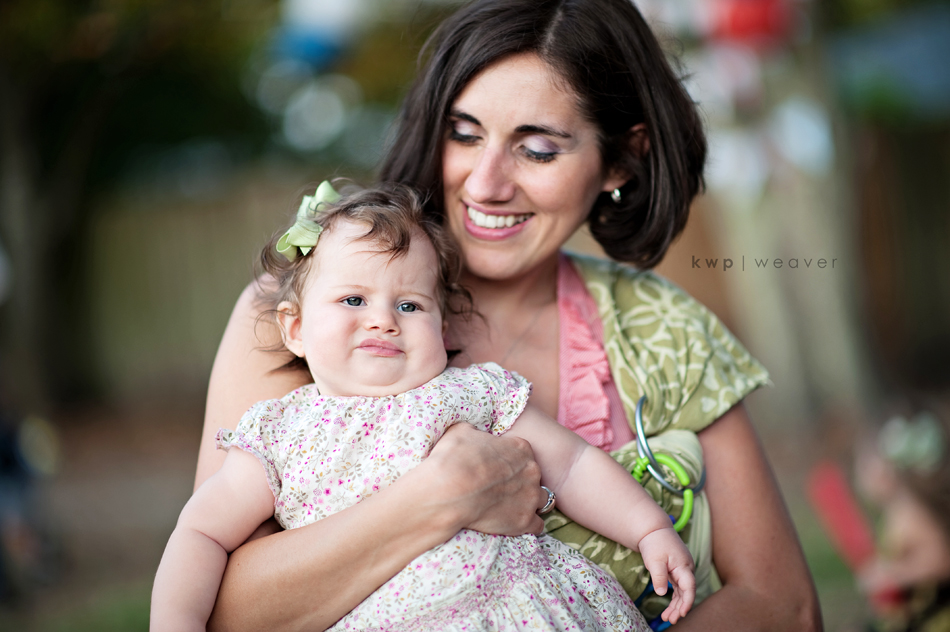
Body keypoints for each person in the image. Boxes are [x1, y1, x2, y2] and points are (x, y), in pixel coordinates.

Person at [194, 1, 822, 630]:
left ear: (620, 160)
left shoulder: (666, 331)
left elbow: (784, 606)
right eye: (464, 134)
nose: (485, 183)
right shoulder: (309, 311)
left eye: (538, 150)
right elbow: (222, 607)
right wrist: (437, 500)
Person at [153, 183, 694, 631]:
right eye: (353, 300)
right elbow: (201, 531)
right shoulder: (280, 432)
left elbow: (572, 464)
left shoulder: (470, 393)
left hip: (527, 608)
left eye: (409, 305)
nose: (383, 320)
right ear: (294, 328)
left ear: (443, 328)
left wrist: (648, 529)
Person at [856, 404, 950, 632]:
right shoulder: (896, 513)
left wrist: (893, 574)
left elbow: (942, 560)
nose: (859, 474)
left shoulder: (911, 514)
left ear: (887, 471)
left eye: (867, 463)